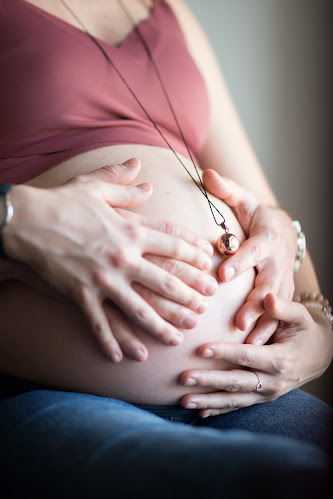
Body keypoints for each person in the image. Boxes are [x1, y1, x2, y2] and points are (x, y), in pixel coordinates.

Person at [0, 0, 332, 497]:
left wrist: (323, 335)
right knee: (274, 478)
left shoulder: (169, 11)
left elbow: (274, 218)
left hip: (246, 395)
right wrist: (13, 217)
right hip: (53, 392)